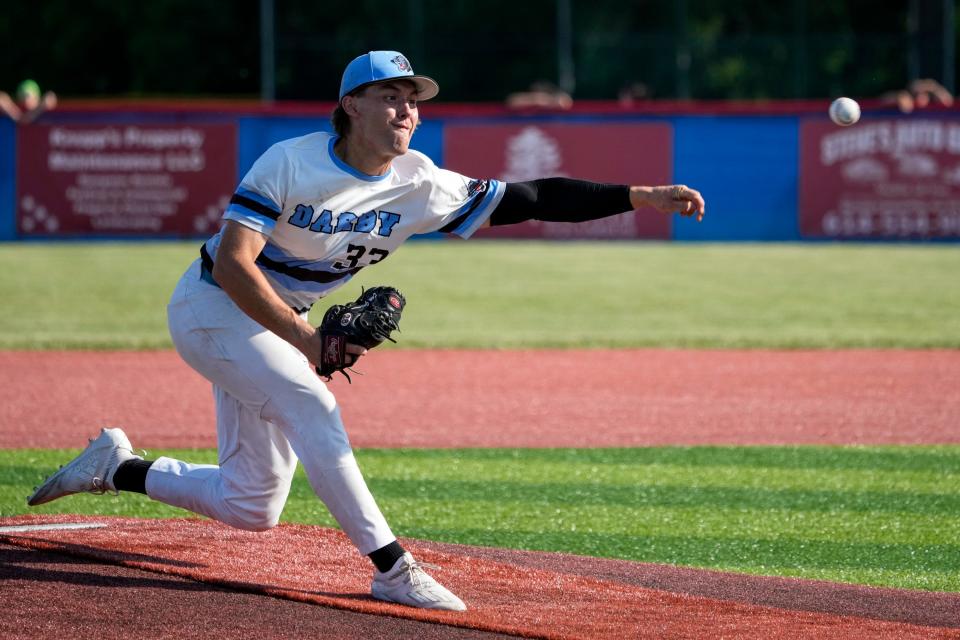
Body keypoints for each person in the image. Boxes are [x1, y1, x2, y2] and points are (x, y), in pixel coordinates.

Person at [27, 50, 705, 610]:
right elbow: (235, 266)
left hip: (270, 325)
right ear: (351, 105)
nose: (407, 109)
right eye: (390, 96)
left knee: (251, 503)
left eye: (414, 99)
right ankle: (392, 567)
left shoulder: (421, 184)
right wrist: (304, 340)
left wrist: (638, 196)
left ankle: (117, 466)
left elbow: (532, 198)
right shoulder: (292, 163)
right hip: (212, 308)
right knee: (313, 405)